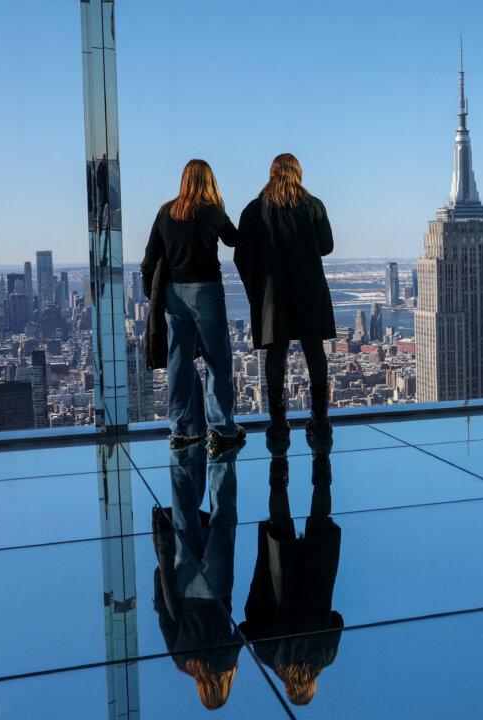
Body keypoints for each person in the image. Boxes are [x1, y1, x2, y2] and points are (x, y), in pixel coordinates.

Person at [142, 159, 246, 455]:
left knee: (179, 359)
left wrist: (154, 295)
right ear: (208, 181)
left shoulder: (166, 211)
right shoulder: (212, 210)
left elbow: (150, 258)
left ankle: (181, 429)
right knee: (217, 358)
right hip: (205, 289)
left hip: (173, 293)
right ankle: (222, 428)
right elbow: (234, 239)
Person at [235, 154, 336, 448]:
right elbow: (327, 246)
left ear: (271, 174)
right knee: (314, 350)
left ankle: (278, 423)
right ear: (299, 174)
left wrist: (256, 290)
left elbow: (241, 256)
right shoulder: (313, 205)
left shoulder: (255, 209)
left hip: (273, 293)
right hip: (308, 288)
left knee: (276, 353)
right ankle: (320, 420)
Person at [239, 441, 342, 706]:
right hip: (280, 579)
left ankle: (321, 466)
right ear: (287, 689)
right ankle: (278, 464)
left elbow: (336, 619)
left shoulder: (326, 657)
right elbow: (249, 624)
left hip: (315, 580)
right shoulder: (269, 655)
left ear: (312, 686)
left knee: (320, 518)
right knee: (280, 522)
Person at [152, 442, 242, 709]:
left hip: (215, 589)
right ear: (202, 691)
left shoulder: (225, 662)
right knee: (183, 514)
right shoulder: (182, 662)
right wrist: (162, 575)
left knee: (223, 515)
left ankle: (222, 450)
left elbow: (240, 635)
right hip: (184, 587)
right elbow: (164, 616)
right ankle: (179, 450)